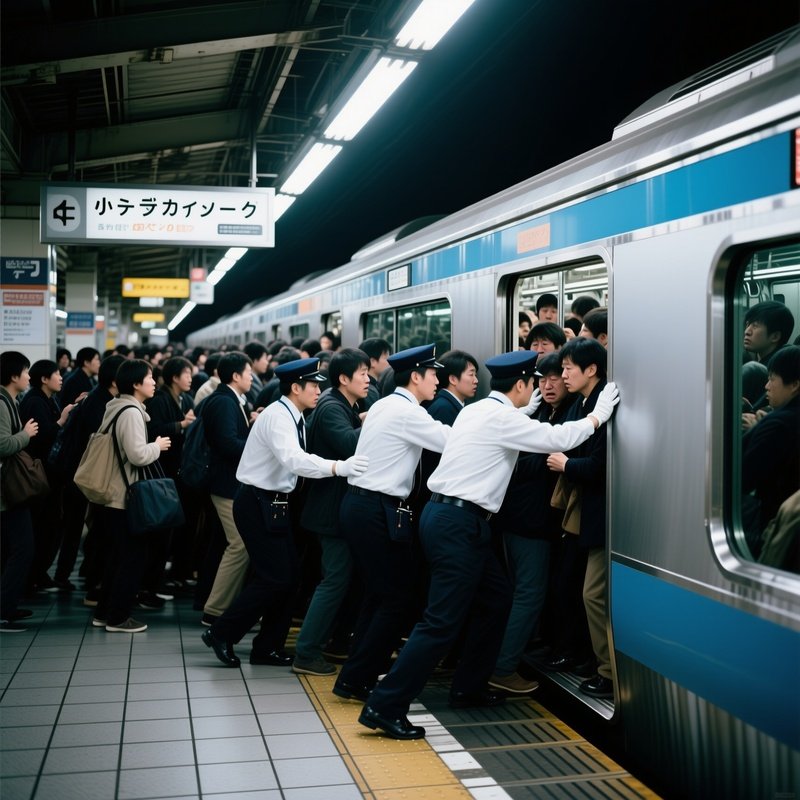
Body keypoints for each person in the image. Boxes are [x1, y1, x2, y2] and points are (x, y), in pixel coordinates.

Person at [358, 349, 618, 739]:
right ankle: (385, 703)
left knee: (496, 600)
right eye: (534, 384)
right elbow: (557, 437)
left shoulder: (476, 410)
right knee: (441, 622)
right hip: (459, 525)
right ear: (521, 385)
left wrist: (525, 410)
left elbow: (508, 426)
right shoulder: (499, 419)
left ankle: (469, 686)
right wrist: (597, 416)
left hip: (451, 520)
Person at [201, 358, 368, 668]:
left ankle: (267, 647)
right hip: (256, 502)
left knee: (288, 577)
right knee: (274, 577)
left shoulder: (294, 415)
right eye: (314, 385)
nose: (319, 390)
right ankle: (221, 632)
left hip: (273, 504)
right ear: (296, 387)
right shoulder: (279, 417)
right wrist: (337, 467)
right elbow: (294, 460)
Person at [333, 344, 451, 703]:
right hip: (376, 509)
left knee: (379, 595)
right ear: (415, 376)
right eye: (433, 375)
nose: (438, 382)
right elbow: (450, 441)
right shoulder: (406, 412)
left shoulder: (386, 404)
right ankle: (358, 676)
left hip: (361, 506)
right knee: (397, 599)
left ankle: (356, 675)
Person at [488, 352, 574, 692]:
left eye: (556, 377)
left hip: (528, 522)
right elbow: (517, 465)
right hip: (526, 523)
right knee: (528, 595)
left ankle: (506, 658)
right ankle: (503, 667)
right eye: (542, 379)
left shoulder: (557, 413)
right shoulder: (534, 417)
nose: (549, 384)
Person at [291, 349, 371, 675]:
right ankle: (306, 652)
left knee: (342, 579)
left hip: (336, 509)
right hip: (330, 512)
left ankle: (336, 642)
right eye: (363, 373)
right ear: (343, 379)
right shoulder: (331, 408)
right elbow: (351, 445)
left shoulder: (342, 405)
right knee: (334, 580)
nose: (368, 379)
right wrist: (375, 421)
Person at [546, 337, 613, 699]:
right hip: (587, 515)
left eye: (569, 368)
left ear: (592, 370)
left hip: (600, 516)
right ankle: (593, 660)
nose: (563, 375)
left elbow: (601, 465)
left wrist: (566, 464)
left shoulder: (603, 404)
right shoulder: (585, 402)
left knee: (592, 595)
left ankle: (607, 672)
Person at [93, 359, 171, 633]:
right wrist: (157, 446)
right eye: (149, 378)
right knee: (133, 558)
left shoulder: (118, 407)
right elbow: (137, 455)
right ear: (136, 384)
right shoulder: (130, 412)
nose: (154, 382)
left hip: (114, 494)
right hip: (122, 497)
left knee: (118, 557)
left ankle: (104, 613)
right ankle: (118, 618)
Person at [200, 352, 254, 626]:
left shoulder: (229, 399)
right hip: (225, 484)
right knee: (240, 545)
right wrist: (259, 445)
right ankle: (216, 611)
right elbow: (228, 444)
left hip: (228, 482)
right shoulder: (223, 402)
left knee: (223, 543)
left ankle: (221, 604)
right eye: (248, 372)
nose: (252, 377)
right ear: (236, 376)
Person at [19, 360, 75, 592]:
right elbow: (41, 439)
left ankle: (38, 574)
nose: (61, 377)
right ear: (44, 379)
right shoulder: (35, 402)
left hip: (49, 475)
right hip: (40, 476)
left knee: (49, 526)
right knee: (43, 526)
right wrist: (62, 419)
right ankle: (33, 576)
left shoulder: (47, 399)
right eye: (56, 374)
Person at [144, 356, 197, 596]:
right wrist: (180, 425)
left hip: (176, 473)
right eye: (187, 374)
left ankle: (167, 578)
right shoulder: (161, 400)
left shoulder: (183, 397)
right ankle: (151, 586)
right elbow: (153, 431)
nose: (190, 378)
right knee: (161, 532)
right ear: (175, 377)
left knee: (173, 529)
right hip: (162, 474)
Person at [741, 345, 800, 552]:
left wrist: (756, 432)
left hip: (769, 526)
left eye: (772, 379)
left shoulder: (779, 424)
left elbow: (741, 478)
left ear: (794, 385)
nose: (767, 386)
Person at [0, 352, 39, 631]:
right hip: (6, 491)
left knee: (13, 549)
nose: (29, 376)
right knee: (22, 548)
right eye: (26, 371)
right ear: (14, 376)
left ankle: (7, 606)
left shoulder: (10, 400)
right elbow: (2, 446)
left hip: (9, 489)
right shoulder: (2, 403)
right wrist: (26, 434)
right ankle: (3, 610)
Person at [358, 338, 392, 410]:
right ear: (372, 361)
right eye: (386, 358)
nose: (390, 362)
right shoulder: (369, 391)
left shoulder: (371, 387)